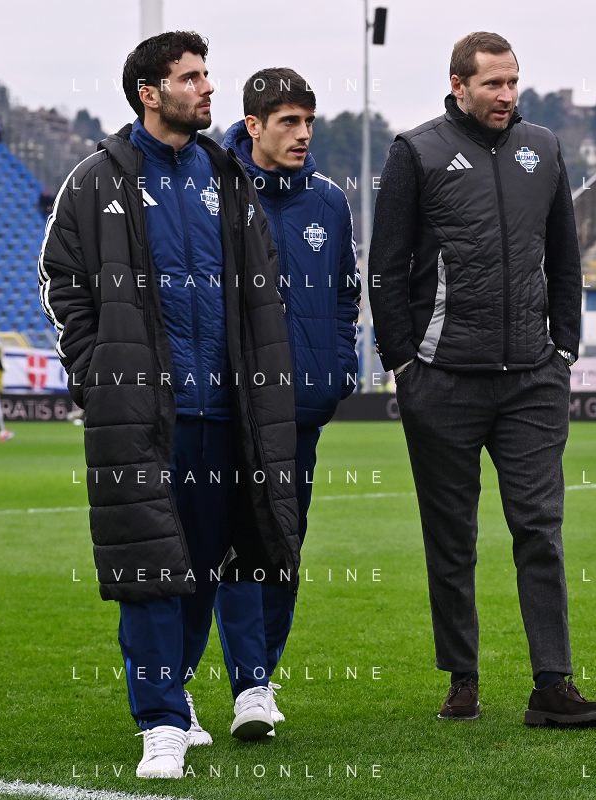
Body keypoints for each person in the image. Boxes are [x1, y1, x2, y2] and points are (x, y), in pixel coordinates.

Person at [38, 30, 299, 779]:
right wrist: (97, 373)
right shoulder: (96, 180)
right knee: (149, 568)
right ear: (150, 94)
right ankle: (159, 723)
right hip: (145, 414)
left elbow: (263, 287)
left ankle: (175, 694)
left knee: (208, 569)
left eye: (207, 75)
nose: (207, 87)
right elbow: (61, 280)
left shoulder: (228, 177)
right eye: (191, 78)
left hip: (229, 414)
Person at [369, 31, 596, 729]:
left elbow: (564, 259)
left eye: (512, 82)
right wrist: (404, 364)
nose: (506, 95)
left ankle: (553, 683)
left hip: (533, 379)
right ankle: (462, 678)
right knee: (451, 537)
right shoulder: (416, 152)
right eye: (492, 84)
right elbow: (386, 268)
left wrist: (563, 350)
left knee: (539, 529)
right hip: (442, 379)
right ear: (459, 85)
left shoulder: (544, 148)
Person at [219, 68, 360, 725]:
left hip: (301, 407)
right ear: (253, 126)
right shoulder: (213, 191)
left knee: (282, 547)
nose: (304, 134)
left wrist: (337, 369)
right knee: (226, 547)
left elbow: (345, 294)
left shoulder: (329, 202)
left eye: (309, 122)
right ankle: (237, 685)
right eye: (288, 122)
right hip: (229, 407)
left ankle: (259, 681)